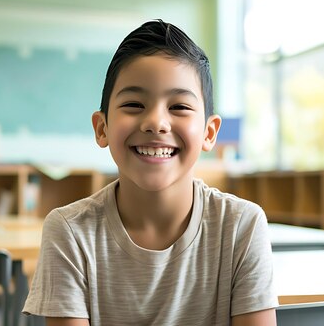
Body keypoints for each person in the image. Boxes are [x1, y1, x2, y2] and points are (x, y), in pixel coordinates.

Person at [23, 19, 278, 326]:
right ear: (102, 128)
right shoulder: (70, 232)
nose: (156, 122)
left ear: (210, 133)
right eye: (133, 104)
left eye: (179, 106)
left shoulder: (241, 227)